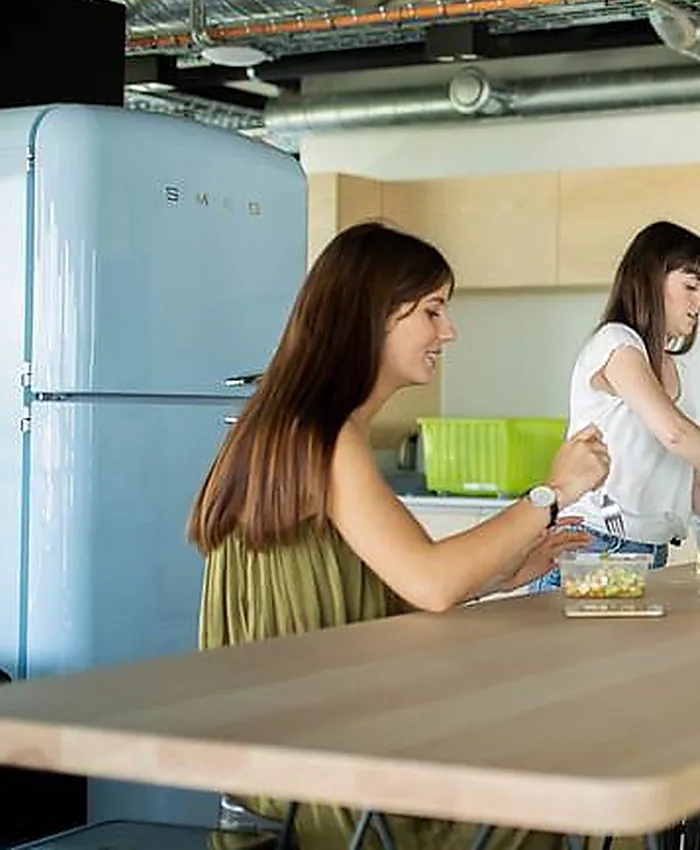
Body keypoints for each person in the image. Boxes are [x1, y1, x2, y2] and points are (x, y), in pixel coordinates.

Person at [188, 221, 612, 850]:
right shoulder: (327, 439)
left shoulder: (291, 429)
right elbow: (430, 583)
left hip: (288, 766)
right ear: (371, 317)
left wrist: (501, 573)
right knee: (578, 777)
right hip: (331, 786)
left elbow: (374, 584)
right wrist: (549, 495)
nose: (449, 332)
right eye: (432, 311)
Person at [533, 221, 700, 589]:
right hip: (591, 544)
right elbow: (674, 433)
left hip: (649, 553)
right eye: (692, 286)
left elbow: (697, 472)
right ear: (652, 280)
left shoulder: (673, 369)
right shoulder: (616, 344)